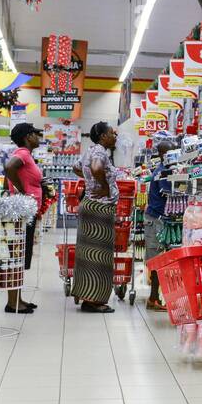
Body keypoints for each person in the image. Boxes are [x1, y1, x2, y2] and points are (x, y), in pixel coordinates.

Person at [71, 121, 120, 313]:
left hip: (90, 207)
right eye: (111, 133)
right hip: (100, 210)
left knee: (87, 256)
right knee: (99, 256)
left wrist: (90, 182)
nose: (114, 136)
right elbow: (97, 168)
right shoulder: (100, 152)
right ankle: (95, 301)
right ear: (102, 136)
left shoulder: (90, 150)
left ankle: (87, 296)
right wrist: (104, 187)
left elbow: (77, 167)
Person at [2, 122, 49, 313]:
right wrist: (22, 191)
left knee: (20, 255)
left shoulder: (26, 155)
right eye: (35, 134)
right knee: (17, 256)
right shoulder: (22, 153)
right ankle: (13, 302)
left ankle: (18, 299)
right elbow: (9, 168)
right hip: (21, 214)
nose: (38, 137)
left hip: (25, 213)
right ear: (27, 137)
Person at [143, 136, 175, 311]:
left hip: (160, 219)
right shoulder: (162, 173)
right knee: (156, 260)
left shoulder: (166, 170)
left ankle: (155, 297)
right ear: (163, 154)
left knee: (160, 259)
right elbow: (173, 192)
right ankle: (153, 298)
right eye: (171, 152)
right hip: (155, 219)